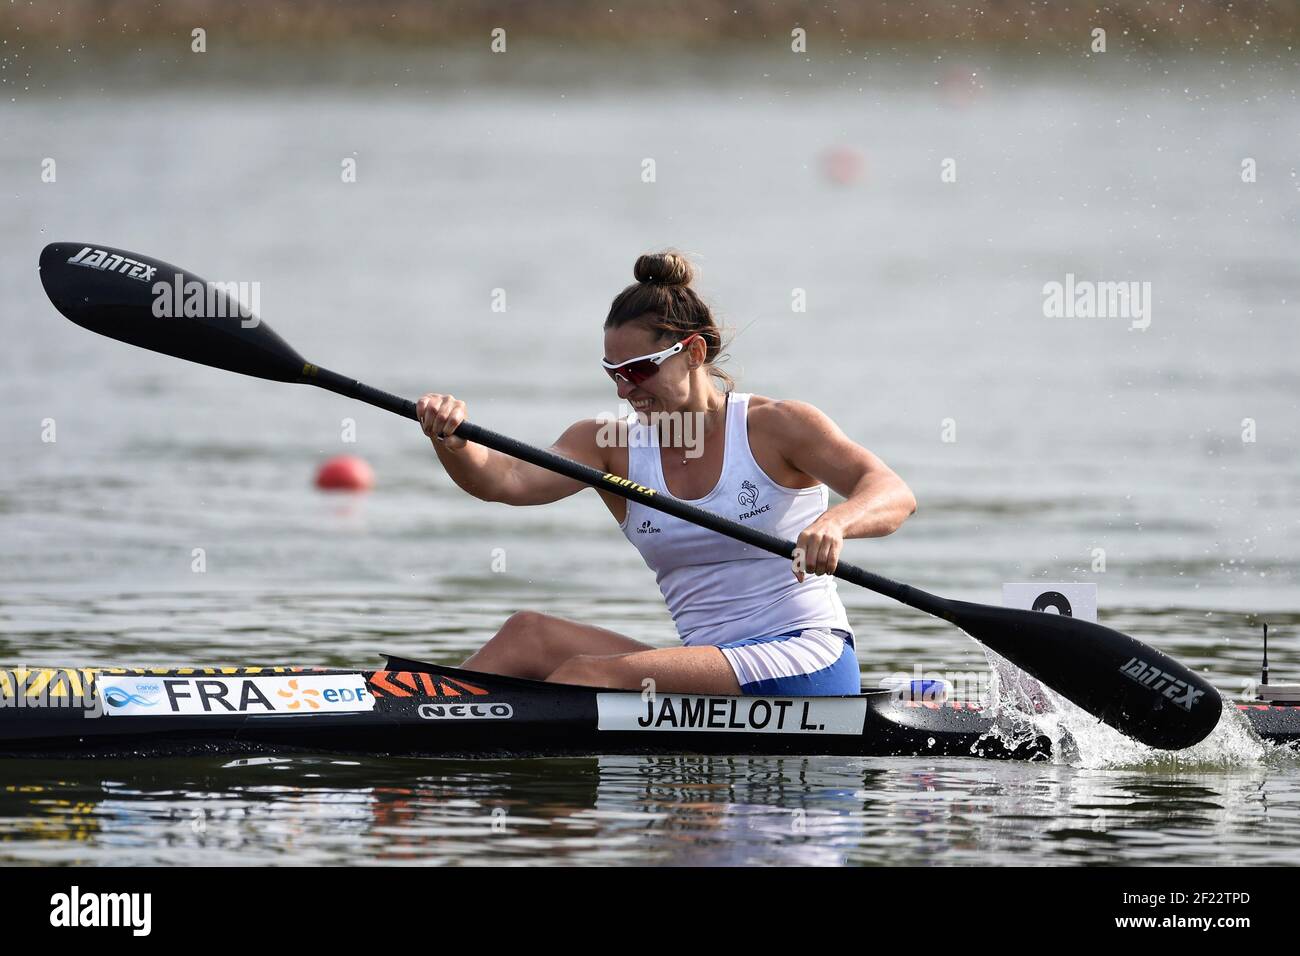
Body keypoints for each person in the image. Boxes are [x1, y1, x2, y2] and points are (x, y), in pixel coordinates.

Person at [417, 251, 915, 696]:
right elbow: (504, 481)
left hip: (804, 658)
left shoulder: (775, 426)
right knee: (528, 634)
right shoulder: (609, 444)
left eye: (638, 370)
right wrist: (453, 440)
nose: (624, 392)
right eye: (613, 373)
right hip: (710, 666)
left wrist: (836, 523)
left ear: (694, 353)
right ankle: (421, 712)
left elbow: (892, 492)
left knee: (589, 676)